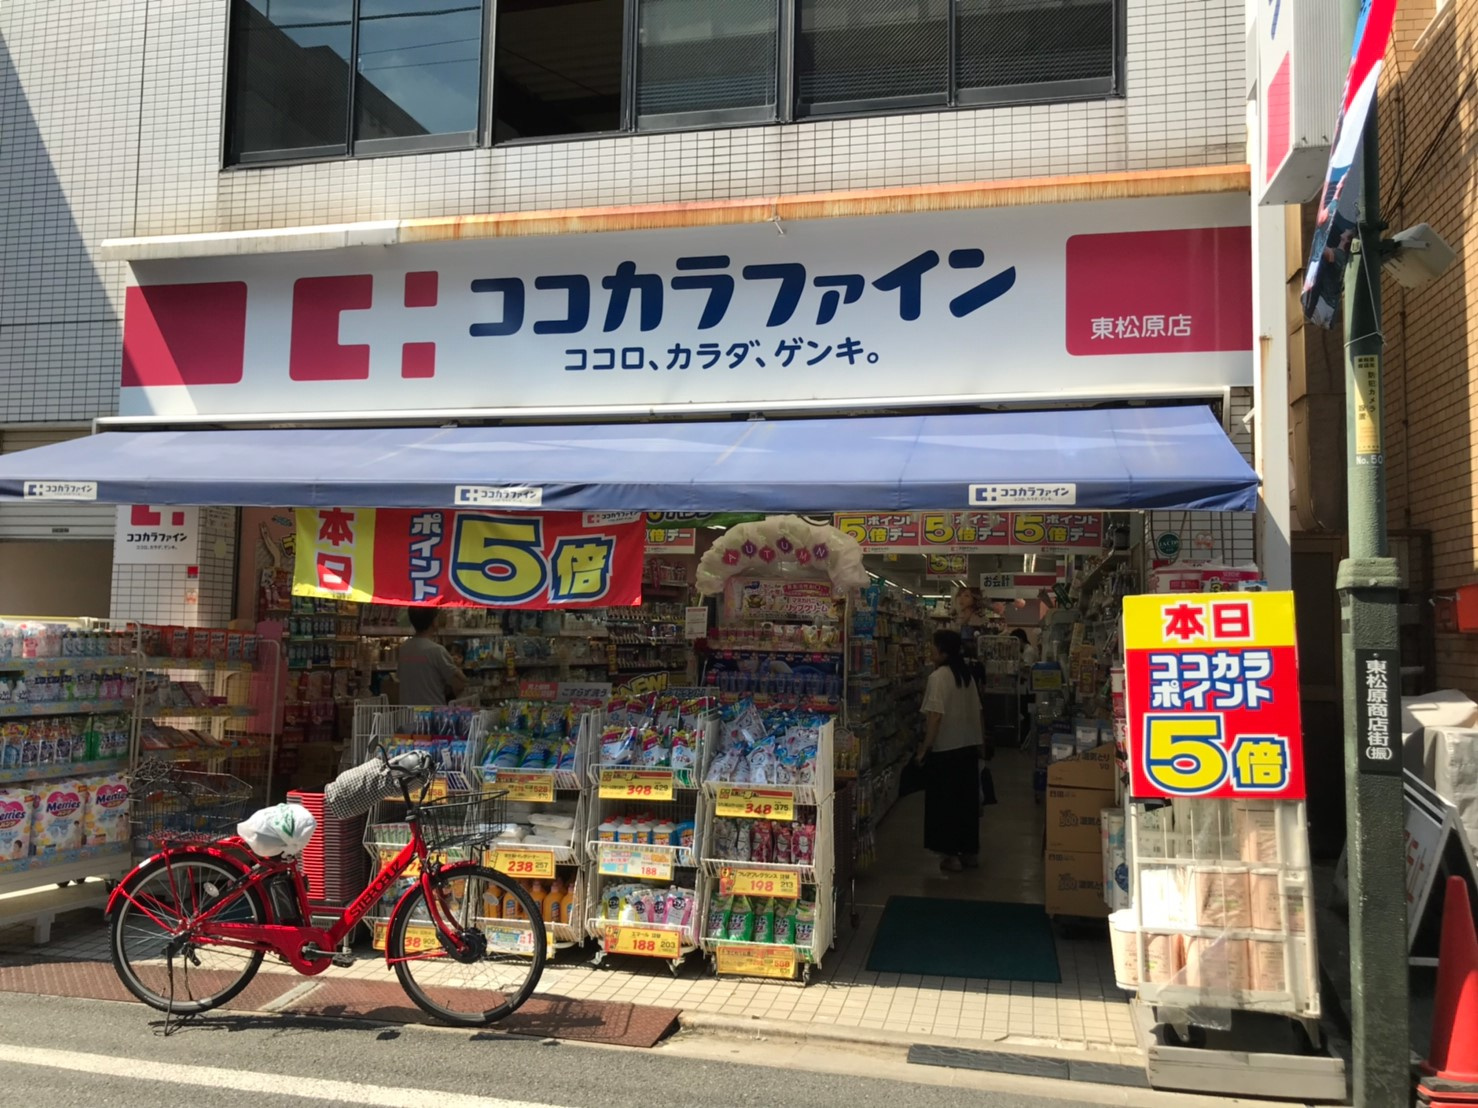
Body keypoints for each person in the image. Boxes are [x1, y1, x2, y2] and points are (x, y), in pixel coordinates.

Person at [916, 629, 986, 871]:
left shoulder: (938, 678)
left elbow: (935, 716)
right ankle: (969, 853)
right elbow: (979, 712)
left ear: (943, 651)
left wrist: (925, 748)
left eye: (933, 645)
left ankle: (950, 856)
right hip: (968, 748)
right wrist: (982, 744)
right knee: (966, 804)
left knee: (945, 805)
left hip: (946, 750)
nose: (930, 649)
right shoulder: (966, 677)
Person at [396, 607, 466, 706]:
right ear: (434, 621)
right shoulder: (437, 650)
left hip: (408, 713)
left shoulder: (404, 648)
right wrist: (457, 665)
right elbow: (460, 684)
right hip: (431, 713)